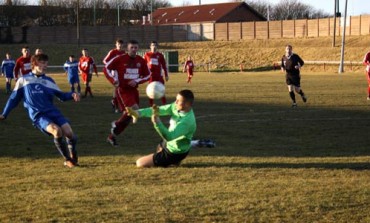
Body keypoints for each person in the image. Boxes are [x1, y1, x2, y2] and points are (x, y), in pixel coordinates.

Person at [0, 54, 80, 168]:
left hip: (53, 112)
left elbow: (61, 96)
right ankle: (68, 160)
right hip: (38, 115)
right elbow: (13, 99)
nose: (45, 65)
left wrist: (72, 94)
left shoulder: (49, 80)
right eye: (42, 63)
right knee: (57, 131)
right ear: (34, 64)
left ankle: (73, 152)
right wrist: (4, 114)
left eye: (46, 63)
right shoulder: (24, 80)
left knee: (69, 133)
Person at [126, 89, 196, 168]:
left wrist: (157, 123)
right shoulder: (176, 107)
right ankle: (171, 161)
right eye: (176, 99)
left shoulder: (187, 121)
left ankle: (174, 160)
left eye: (178, 101)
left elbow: (170, 137)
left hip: (176, 152)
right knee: (160, 147)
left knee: (140, 163)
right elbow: (160, 110)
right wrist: (138, 113)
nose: (175, 102)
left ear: (187, 104)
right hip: (169, 144)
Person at [104, 39, 150, 146]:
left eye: (135, 48)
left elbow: (148, 75)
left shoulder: (141, 61)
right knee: (134, 110)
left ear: (138, 49)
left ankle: (112, 136)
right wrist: (113, 80)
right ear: (127, 49)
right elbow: (106, 68)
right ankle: (116, 124)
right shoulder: (120, 58)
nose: (134, 50)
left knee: (130, 115)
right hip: (123, 90)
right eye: (131, 48)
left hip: (134, 91)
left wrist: (137, 81)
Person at [103, 39, 126, 113]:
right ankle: (116, 106)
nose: (120, 45)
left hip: (121, 73)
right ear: (116, 44)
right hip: (114, 72)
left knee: (119, 89)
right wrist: (112, 66)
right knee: (117, 88)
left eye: (121, 44)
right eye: (118, 44)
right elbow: (105, 60)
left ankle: (114, 101)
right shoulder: (113, 52)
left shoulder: (123, 52)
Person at [144, 41, 169, 106]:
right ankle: (151, 105)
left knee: (161, 90)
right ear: (150, 46)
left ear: (157, 47)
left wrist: (166, 75)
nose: (154, 46)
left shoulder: (160, 55)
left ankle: (164, 104)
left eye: (155, 45)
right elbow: (143, 65)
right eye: (152, 45)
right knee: (150, 90)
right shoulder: (147, 55)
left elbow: (164, 65)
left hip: (159, 76)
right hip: (151, 76)